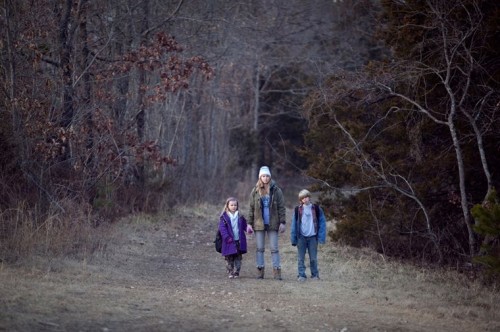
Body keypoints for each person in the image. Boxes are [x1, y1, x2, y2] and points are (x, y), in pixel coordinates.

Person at [247, 166, 286, 280]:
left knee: (274, 248)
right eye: (263, 176)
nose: (265, 178)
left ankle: (277, 272)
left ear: (270, 176)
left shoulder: (276, 190)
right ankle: (260, 271)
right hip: (259, 224)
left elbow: (281, 207)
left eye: (267, 176)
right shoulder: (255, 191)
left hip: (273, 223)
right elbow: (251, 208)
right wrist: (249, 223)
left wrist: (282, 222)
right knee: (260, 248)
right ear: (260, 177)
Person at [290, 189, 327, 282]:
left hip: (313, 237)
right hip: (301, 237)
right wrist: (293, 239)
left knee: (313, 258)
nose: (305, 199)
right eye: (303, 198)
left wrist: (321, 237)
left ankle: (315, 275)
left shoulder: (316, 208)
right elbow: (294, 225)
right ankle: (301, 275)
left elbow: (322, 223)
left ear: (309, 197)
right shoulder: (297, 210)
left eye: (307, 197)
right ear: (301, 200)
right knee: (300, 258)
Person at [219, 197, 250, 279]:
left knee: (238, 258)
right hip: (229, 241)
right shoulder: (224, 217)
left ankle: (237, 271)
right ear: (227, 206)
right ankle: (230, 271)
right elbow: (222, 229)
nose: (233, 206)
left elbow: (244, 226)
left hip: (238, 241)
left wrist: (248, 229)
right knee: (229, 258)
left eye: (235, 205)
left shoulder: (240, 216)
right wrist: (226, 237)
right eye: (231, 205)